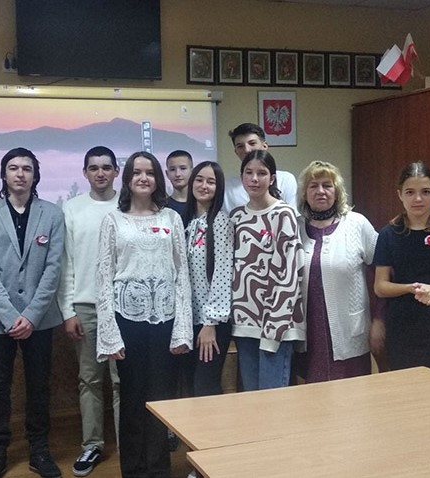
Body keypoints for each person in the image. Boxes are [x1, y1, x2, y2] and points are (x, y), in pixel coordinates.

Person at [95, 151, 192, 478]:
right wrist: (110, 333)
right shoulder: (113, 220)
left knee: (160, 401)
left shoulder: (171, 219)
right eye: (136, 172)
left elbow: (182, 275)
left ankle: (159, 469)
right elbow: (104, 276)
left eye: (149, 172)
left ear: (157, 179)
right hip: (128, 321)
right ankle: (134, 471)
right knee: (132, 398)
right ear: (127, 179)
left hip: (165, 321)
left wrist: (182, 330)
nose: (143, 178)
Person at [0, 147, 65, 478]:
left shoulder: (52, 214)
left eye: (27, 168)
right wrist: (11, 317)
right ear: (3, 174)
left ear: (35, 175)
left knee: (39, 386)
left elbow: (53, 269)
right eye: (13, 168)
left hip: (40, 319)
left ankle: (39, 450)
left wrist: (32, 315)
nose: (20, 174)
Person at [58, 146, 121, 477]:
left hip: (122, 308)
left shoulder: (128, 206)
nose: (100, 173)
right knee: (90, 379)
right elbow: (65, 263)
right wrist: (68, 311)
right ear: (85, 173)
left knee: (122, 379)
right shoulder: (72, 209)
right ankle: (92, 444)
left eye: (106, 167)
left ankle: (127, 442)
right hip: (85, 307)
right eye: (93, 168)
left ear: (116, 172)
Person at [297, 161, 383, 382]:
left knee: (352, 395)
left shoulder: (356, 224)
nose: (321, 191)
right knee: (313, 395)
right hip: (309, 336)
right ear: (304, 193)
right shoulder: (295, 228)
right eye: (313, 186)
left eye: (327, 185)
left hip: (349, 333)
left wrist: (379, 319)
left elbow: (383, 272)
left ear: (337, 191)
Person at [373, 162, 430, 375]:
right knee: (405, 387)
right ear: (400, 194)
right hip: (402, 326)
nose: (418, 199)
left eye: (425, 192)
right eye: (410, 192)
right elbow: (380, 286)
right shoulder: (388, 234)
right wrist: (411, 288)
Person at [230, 150, 305, 391]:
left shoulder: (284, 214)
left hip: (276, 325)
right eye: (249, 173)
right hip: (245, 324)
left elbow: (289, 275)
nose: (254, 179)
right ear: (242, 177)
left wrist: (274, 329)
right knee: (252, 399)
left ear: (272, 178)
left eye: (261, 173)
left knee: (273, 401)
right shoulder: (236, 217)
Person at [182, 161, 234, 396]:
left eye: (211, 182)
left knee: (205, 387)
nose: (204, 186)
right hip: (188, 321)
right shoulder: (187, 221)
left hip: (211, 322)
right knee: (188, 387)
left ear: (218, 188)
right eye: (199, 180)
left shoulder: (221, 222)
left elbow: (223, 274)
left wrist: (210, 323)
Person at [223, 123, 298, 215]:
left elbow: (293, 216)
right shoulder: (228, 187)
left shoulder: (285, 179)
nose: (247, 150)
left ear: (264, 146)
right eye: (240, 146)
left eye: (252, 143)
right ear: (236, 152)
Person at [164, 150, 192, 217]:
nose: (177, 174)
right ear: (167, 174)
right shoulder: (162, 207)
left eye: (183, 168)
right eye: (172, 169)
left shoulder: (201, 204)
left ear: (192, 171)